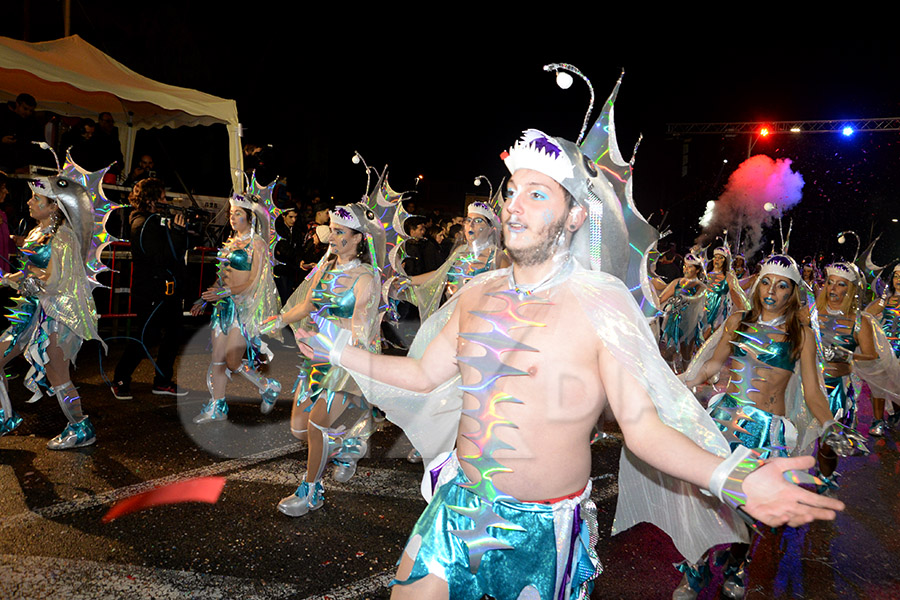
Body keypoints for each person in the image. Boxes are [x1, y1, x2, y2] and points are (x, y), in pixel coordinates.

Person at [295, 129, 843, 600]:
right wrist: (340, 351)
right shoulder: (476, 293)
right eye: (513, 191)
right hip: (459, 502)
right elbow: (422, 376)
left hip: (543, 530)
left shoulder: (600, 303)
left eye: (538, 194)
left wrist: (730, 479)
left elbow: (643, 427)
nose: (514, 205)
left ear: (575, 215)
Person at [680, 254, 861, 598]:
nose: (770, 291)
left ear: (792, 292)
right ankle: (696, 568)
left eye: (781, 285)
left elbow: (813, 392)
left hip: (767, 432)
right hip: (725, 422)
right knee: (710, 500)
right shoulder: (737, 321)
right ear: (757, 283)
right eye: (765, 281)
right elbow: (711, 366)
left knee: (749, 505)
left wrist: (829, 426)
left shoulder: (801, 334)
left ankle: (736, 564)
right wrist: (679, 380)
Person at [266, 203, 383, 517]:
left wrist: (334, 339)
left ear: (358, 238)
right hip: (317, 360)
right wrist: (276, 320)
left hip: (345, 362)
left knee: (317, 426)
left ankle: (311, 491)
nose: (331, 237)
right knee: (299, 431)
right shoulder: (327, 267)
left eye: (339, 231)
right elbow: (305, 306)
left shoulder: (366, 278)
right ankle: (345, 446)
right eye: (331, 230)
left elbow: (362, 329)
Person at [0, 152, 114, 449]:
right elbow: (33, 264)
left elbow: (53, 281)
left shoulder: (63, 236)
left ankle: (81, 427)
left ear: (54, 207)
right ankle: (3, 416)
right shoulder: (39, 231)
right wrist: (15, 256)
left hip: (57, 315)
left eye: (36, 199)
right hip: (32, 312)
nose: (29, 202)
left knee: (57, 374)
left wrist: (18, 279)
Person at [190, 182, 282, 422]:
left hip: (244, 309)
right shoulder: (230, 243)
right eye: (231, 214)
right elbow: (222, 279)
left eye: (238, 214)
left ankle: (267, 386)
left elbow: (254, 282)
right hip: (224, 307)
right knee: (217, 359)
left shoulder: (258, 245)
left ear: (249, 217)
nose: (232, 218)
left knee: (232, 361)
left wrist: (225, 292)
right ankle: (218, 406)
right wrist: (205, 298)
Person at [110, 178, 188, 399]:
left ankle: (162, 381)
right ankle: (120, 378)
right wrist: (176, 232)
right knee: (146, 336)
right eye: (162, 197)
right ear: (151, 199)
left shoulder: (155, 220)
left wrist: (178, 231)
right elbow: (161, 257)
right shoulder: (142, 223)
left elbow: (175, 254)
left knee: (173, 335)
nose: (166, 201)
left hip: (167, 289)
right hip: (152, 291)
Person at [404, 201, 507, 322]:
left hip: (477, 324)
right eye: (468, 220)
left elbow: (511, 296)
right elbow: (439, 275)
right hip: (450, 319)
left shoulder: (497, 257)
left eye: (478, 221)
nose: (471, 224)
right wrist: (406, 281)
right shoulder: (460, 251)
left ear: (490, 229)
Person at [864, 264, 900, 435]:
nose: (899, 280)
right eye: (896, 276)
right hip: (884, 349)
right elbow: (865, 316)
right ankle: (878, 419)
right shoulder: (884, 299)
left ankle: (896, 412)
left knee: (896, 386)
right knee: (878, 384)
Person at [657, 252, 707, 371]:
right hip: (673, 322)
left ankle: (687, 379)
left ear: (697, 270)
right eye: (685, 265)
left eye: (690, 267)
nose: (686, 269)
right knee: (669, 351)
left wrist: (683, 298)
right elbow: (661, 299)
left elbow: (696, 298)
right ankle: (669, 376)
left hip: (690, 323)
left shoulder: (701, 286)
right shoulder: (677, 282)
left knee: (686, 353)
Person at [702, 246, 749, 337]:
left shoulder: (728, 276)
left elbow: (734, 292)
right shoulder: (706, 274)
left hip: (718, 311)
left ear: (725, 261)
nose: (717, 260)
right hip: (703, 308)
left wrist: (744, 310)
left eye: (720, 258)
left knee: (710, 335)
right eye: (715, 257)